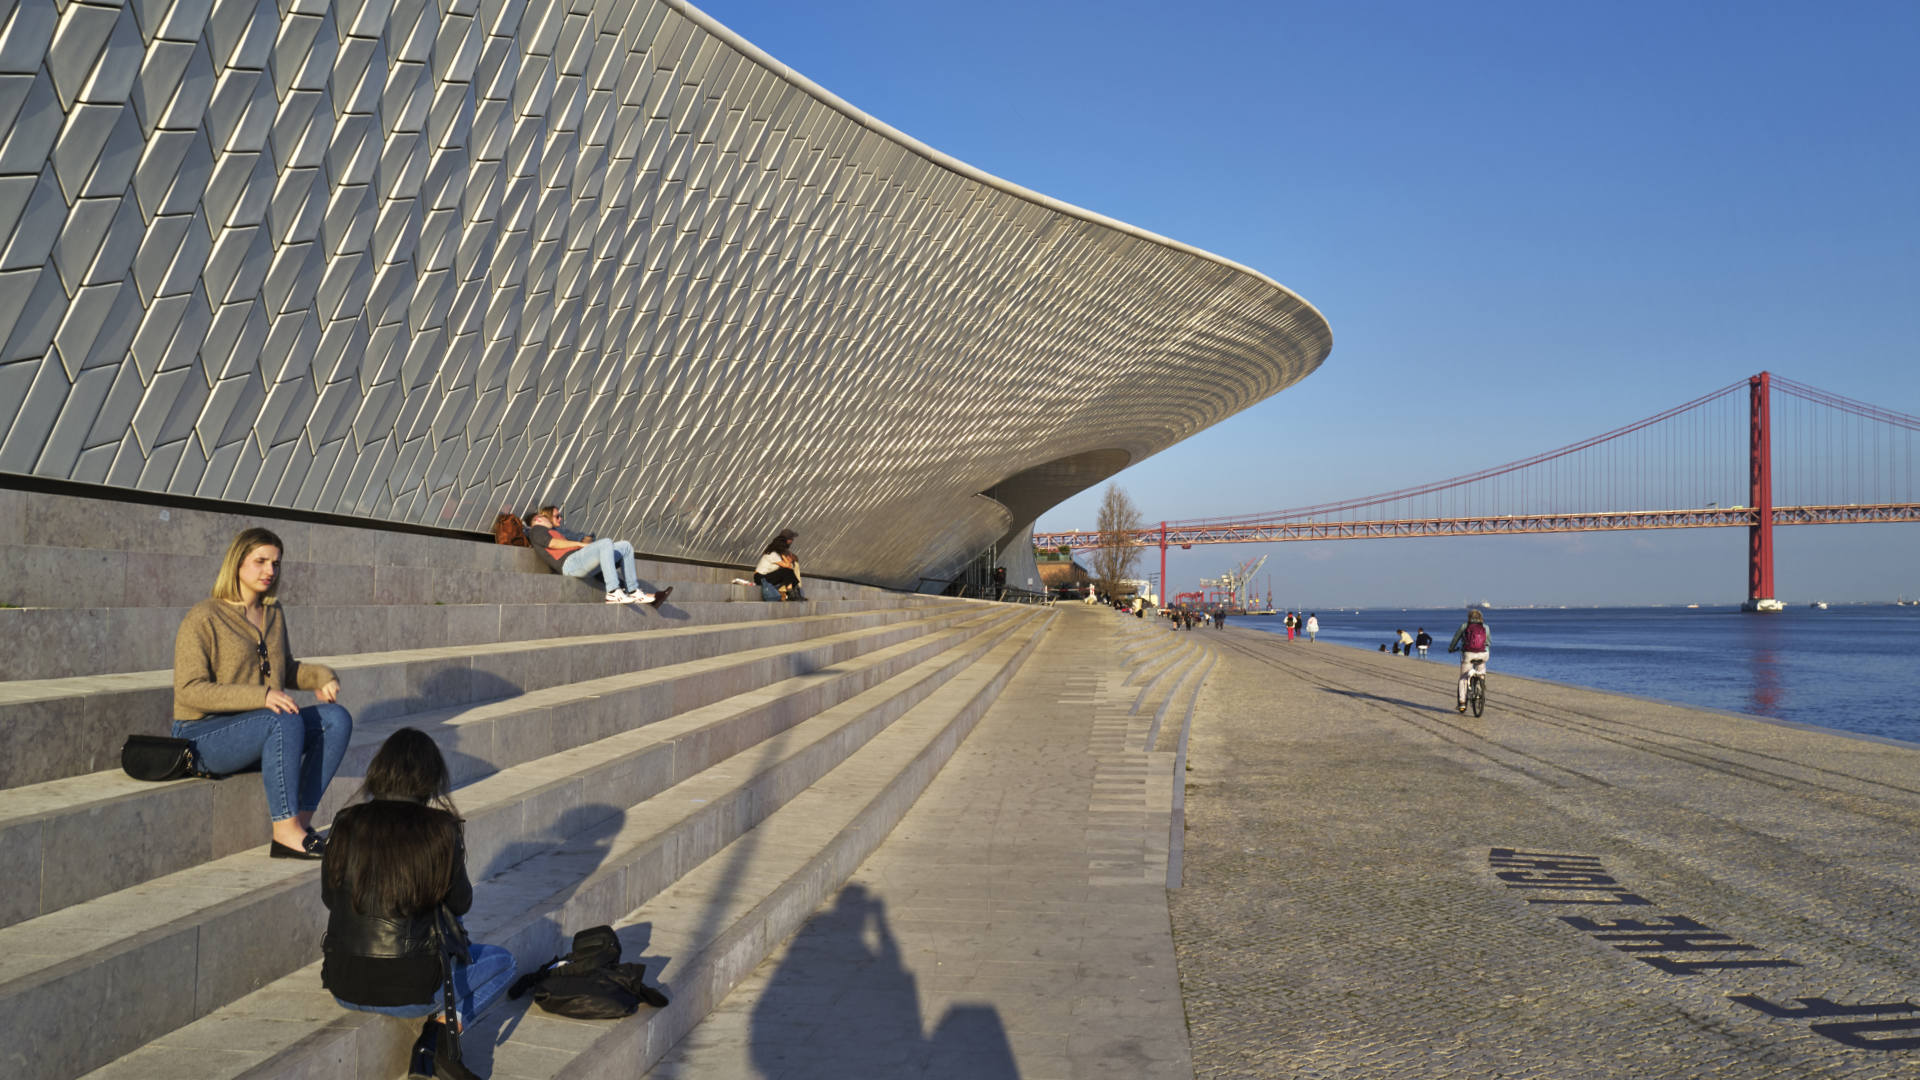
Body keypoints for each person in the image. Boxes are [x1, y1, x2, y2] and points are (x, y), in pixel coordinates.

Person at [324, 729, 516, 1079]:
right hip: (413, 990)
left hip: (342, 982)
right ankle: (435, 1041)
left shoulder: (346, 822)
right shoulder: (440, 829)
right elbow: (461, 903)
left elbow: (329, 897)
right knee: (504, 962)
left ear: (379, 771)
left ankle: (435, 1043)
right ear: (431, 778)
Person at [173, 528, 352, 859]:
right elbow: (190, 691)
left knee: (336, 719)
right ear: (237, 564)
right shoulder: (204, 616)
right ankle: (284, 833)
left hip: (261, 725)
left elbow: (287, 667)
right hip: (202, 735)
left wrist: (322, 677)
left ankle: (299, 822)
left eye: (276, 563)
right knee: (280, 720)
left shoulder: (273, 612)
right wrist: (262, 696)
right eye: (260, 561)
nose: (270, 571)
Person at [525, 505, 670, 606]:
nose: (548, 519)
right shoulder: (536, 529)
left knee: (625, 546)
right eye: (544, 517)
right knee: (605, 542)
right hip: (569, 563)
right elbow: (553, 544)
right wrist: (581, 545)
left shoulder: (553, 530)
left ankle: (632, 590)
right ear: (538, 519)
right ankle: (613, 592)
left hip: (579, 560)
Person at [1447, 609, 1492, 713]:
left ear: (1469, 617)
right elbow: (1489, 642)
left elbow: (1456, 638)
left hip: (1468, 654)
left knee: (1463, 677)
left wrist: (1451, 648)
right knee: (1481, 671)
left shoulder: (1464, 626)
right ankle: (1480, 688)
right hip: (1483, 654)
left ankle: (1462, 703)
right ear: (1481, 617)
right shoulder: (1485, 627)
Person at [754, 529, 808, 601]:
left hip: (765, 576)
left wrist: (786, 557)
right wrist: (783, 555)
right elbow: (788, 566)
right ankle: (791, 593)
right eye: (791, 539)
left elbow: (792, 561)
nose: (792, 541)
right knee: (786, 571)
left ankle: (794, 592)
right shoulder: (773, 554)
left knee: (788, 571)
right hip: (760, 578)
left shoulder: (776, 554)